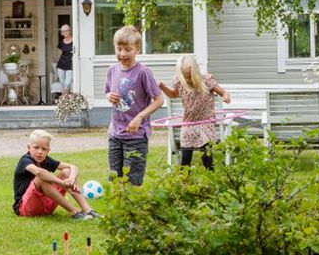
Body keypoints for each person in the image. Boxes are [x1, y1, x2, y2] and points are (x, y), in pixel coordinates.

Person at [104, 26, 164, 186]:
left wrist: (140, 117)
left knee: (132, 180)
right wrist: (109, 96)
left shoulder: (143, 72)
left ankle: (132, 210)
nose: (122, 53)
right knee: (115, 177)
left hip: (136, 136)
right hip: (115, 134)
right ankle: (118, 210)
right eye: (119, 49)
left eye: (128, 49)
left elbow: (159, 100)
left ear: (137, 49)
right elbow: (107, 92)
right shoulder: (112, 70)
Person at [158, 55, 231, 171]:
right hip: (189, 122)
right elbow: (173, 95)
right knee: (186, 155)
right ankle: (184, 180)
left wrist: (226, 97)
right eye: (185, 77)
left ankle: (211, 177)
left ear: (196, 73)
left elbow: (223, 92)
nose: (188, 80)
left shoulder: (206, 81)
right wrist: (163, 88)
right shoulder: (179, 82)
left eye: (190, 77)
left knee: (206, 154)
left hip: (205, 122)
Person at [12, 130, 102, 220]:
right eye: (36, 147)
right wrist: (61, 183)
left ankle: (88, 210)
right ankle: (74, 212)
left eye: (44, 149)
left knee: (67, 172)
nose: (40, 152)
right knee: (41, 178)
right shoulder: (25, 161)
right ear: (28, 147)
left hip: (46, 207)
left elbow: (73, 167)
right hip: (25, 208)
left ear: (48, 150)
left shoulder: (46, 160)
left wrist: (71, 179)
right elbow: (39, 172)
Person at [55, 24, 74, 95]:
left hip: (70, 65)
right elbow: (59, 54)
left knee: (67, 83)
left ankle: (65, 100)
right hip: (61, 65)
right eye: (63, 31)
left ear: (69, 31)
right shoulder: (61, 43)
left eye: (66, 30)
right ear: (61, 33)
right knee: (62, 83)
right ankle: (66, 100)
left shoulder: (74, 41)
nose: (65, 32)